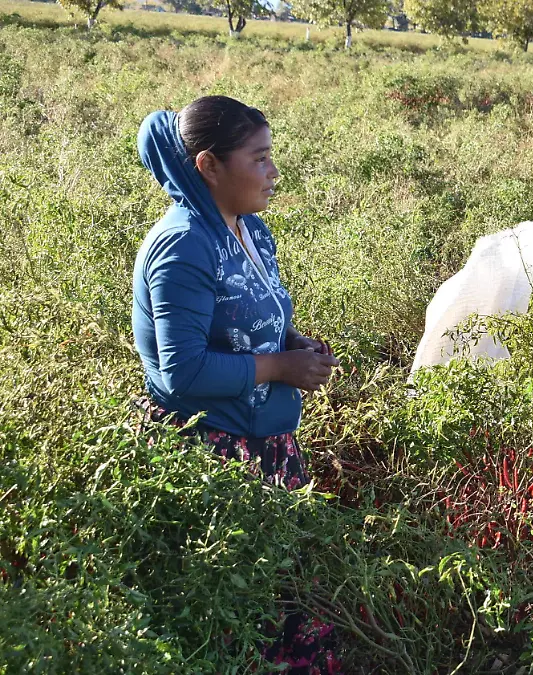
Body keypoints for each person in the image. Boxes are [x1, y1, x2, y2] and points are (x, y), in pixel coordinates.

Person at [133, 96, 340, 673]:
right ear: (209, 165)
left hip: (266, 445)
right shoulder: (183, 246)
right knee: (234, 616)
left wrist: (294, 343)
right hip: (212, 454)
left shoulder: (250, 230)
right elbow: (183, 370)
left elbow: (254, 314)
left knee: (287, 600)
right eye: (259, 158)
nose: (273, 172)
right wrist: (278, 368)